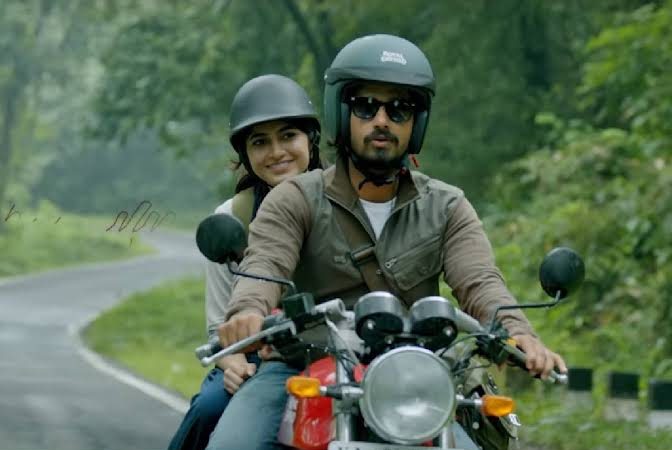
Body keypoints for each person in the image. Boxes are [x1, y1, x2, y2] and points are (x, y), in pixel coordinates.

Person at [207, 34, 567, 450]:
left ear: (416, 123)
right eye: (365, 106)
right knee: (231, 444)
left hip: (414, 381)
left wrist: (520, 334)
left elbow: (480, 282)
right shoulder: (295, 198)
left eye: (399, 109)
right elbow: (265, 264)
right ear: (342, 113)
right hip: (299, 368)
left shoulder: (447, 206)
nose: (382, 120)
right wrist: (248, 312)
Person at [167, 74, 322, 450]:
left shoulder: (343, 203)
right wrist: (233, 362)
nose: (276, 152)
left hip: (338, 354)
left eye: (288, 136)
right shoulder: (232, 218)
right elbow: (218, 328)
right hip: (254, 357)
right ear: (245, 154)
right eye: (260, 142)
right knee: (208, 409)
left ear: (311, 139)